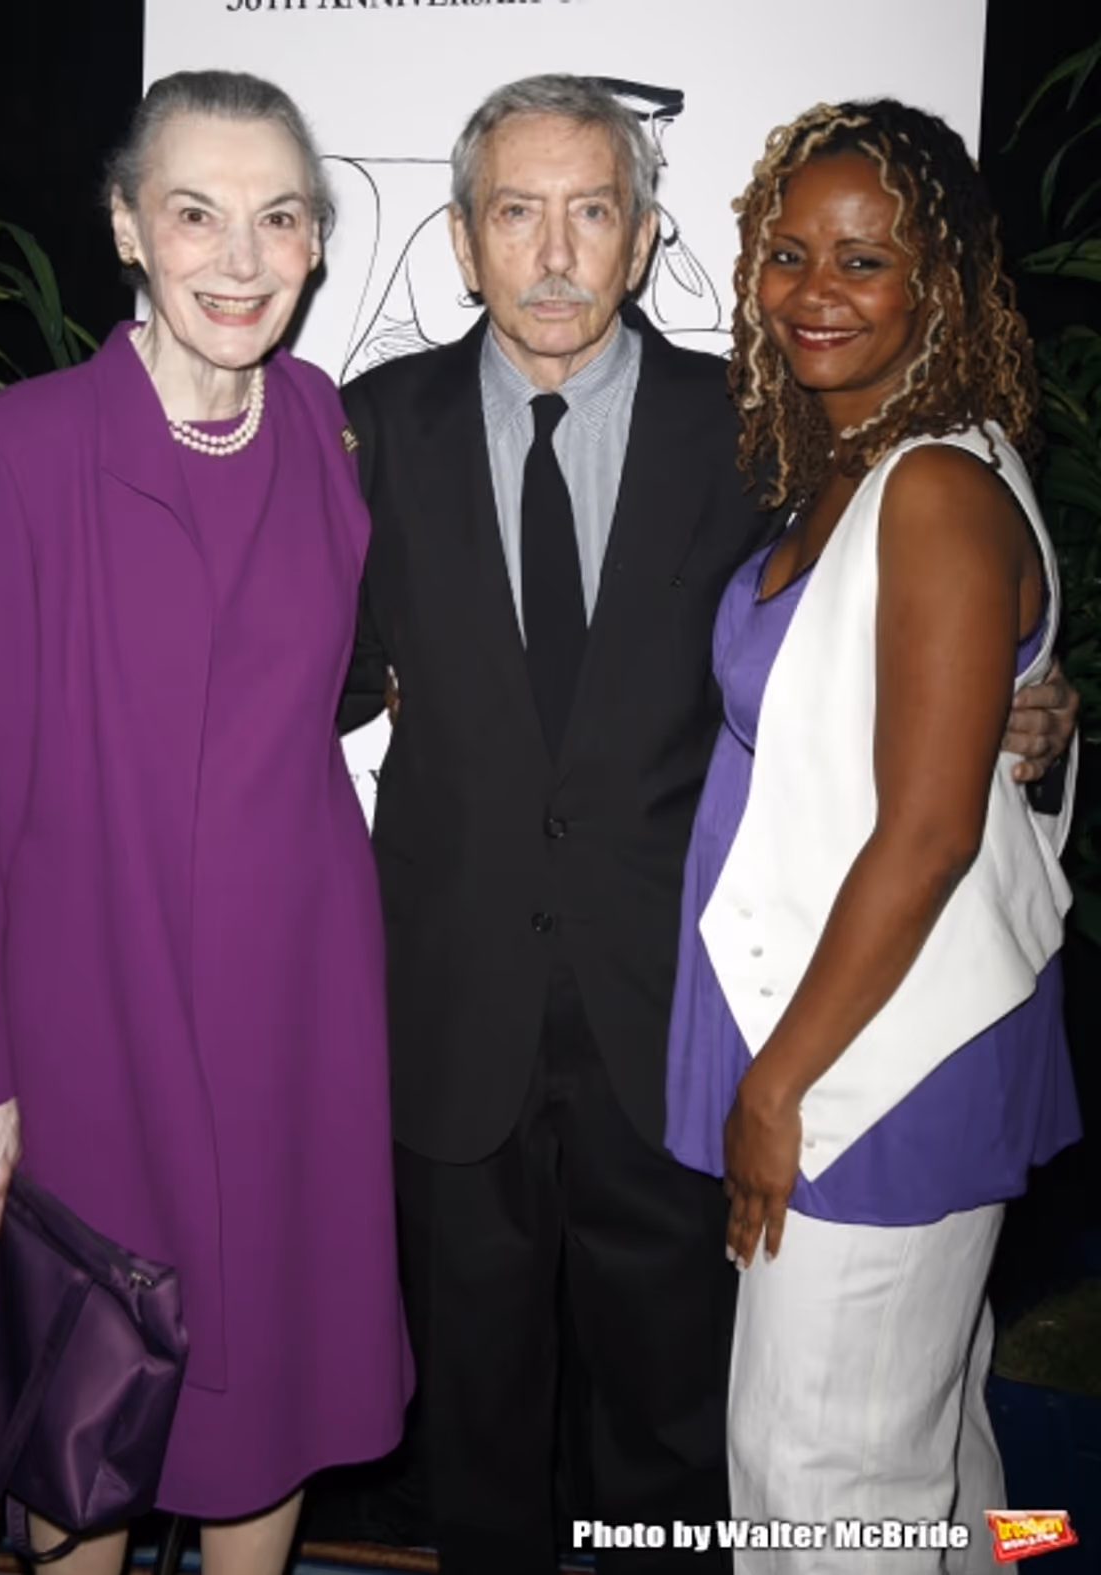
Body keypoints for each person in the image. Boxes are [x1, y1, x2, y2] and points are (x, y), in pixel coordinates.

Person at [338, 76, 1075, 1574]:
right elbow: (296, 683)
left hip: (688, 1027)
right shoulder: (367, 433)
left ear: (646, 233)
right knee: (476, 1427)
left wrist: (1034, 712)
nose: (553, 254)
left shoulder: (757, 434)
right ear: (464, 242)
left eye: (591, 211)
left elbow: (898, 640)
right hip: (452, 1009)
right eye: (515, 213)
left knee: (691, 1438)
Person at [0, 69, 412, 1575]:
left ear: (320, 245)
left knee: (275, 1380)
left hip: (296, 1016)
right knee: (96, 1404)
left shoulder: (327, 431)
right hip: (94, 1017)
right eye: (197, 215)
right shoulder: (18, 454)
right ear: (130, 227)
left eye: (279, 219)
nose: (242, 260)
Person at [664, 99, 1081, 1572]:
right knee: (929, 1453)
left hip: (869, 1065)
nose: (815, 291)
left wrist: (777, 1086)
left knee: (820, 1482)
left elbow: (924, 838)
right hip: (857, 1032)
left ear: (940, 283)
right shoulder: (871, 462)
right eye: (789, 254)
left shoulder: (939, 488)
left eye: (864, 259)